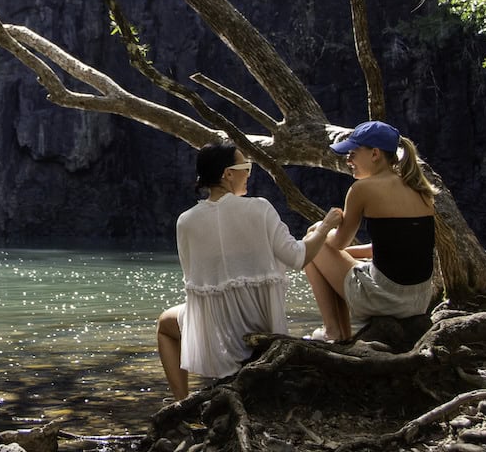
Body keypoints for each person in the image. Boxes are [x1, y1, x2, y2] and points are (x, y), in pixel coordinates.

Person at [156, 142, 343, 401]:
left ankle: (182, 402)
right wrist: (324, 228)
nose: (249, 173)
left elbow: (196, 285)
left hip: (218, 336)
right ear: (228, 174)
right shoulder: (259, 208)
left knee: (165, 325)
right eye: (246, 167)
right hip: (263, 328)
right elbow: (299, 256)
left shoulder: (185, 221)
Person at [304, 120, 437, 342]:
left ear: (375, 154)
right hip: (419, 299)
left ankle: (334, 331)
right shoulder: (419, 189)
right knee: (321, 243)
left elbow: (337, 244)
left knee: (312, 239)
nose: (348, 160)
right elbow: (396, 247)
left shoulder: (362, 189)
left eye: (353, 153)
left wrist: (324, 227)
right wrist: (347, 255)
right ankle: (341, 333)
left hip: (387, 299)